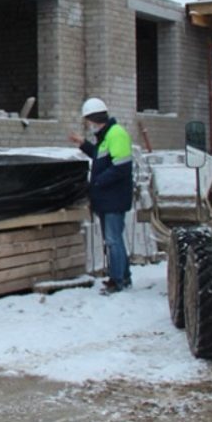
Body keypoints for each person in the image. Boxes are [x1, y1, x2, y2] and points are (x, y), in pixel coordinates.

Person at [69, 97, 133, 293]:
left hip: (114, 197)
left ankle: (117, 280)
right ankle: (124, 276)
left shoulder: (116, 134)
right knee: (114, 239)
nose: (88, 126)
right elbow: (100, 157)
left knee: (113, 240)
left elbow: (121, 167)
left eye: (88, 121)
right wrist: (83, 144)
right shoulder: (105, 136)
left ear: (95, 119)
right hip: (107, 198)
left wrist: (96, 182)